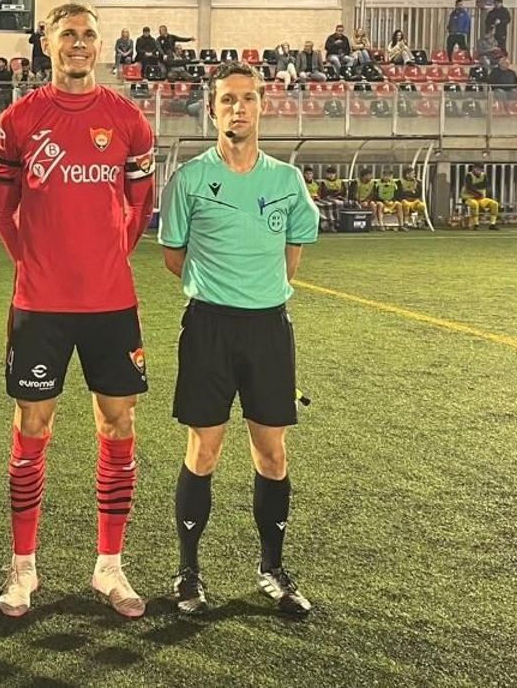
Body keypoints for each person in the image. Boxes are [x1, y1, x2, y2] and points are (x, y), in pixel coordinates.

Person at [0, 2, 157, 619]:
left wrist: (108, 255)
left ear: (100, 45)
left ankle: (109, 568)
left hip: (112, 303)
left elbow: (138, 206)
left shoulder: (128, 120)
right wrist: (32, 261)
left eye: (88, 35)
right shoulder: (19, 120)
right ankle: (23, 570)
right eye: (68, 36)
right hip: (41, 303)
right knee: (32, 429)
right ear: (48, 44)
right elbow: (4, 206)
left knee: (118, 426)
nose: (79, 45)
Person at [158, 60, 319, 618]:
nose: (238, 108)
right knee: (204, 448)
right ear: (212, 109)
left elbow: (293, 250)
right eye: (227, 100)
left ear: (261, 106)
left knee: (271, 452)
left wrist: (260, 291)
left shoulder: (286, 180)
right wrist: (219, 290)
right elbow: (173, 255)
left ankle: (272, 568)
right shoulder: (191, 179)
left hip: (269, 328)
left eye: (247, 98)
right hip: (208, 327)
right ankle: (189, 573)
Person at [460, 163, 499, 230]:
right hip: (468, 198)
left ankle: (492, 224)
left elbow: (485, 184)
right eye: (477, 169)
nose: (478, 171)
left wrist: (474, 186)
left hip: (481, 198)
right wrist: (477, 191)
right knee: (474, 204)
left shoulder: (484, 176)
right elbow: (469, 187)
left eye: (480, 169)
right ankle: (475, 224)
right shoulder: (469, 175)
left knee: (494, 204)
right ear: (473, 168)